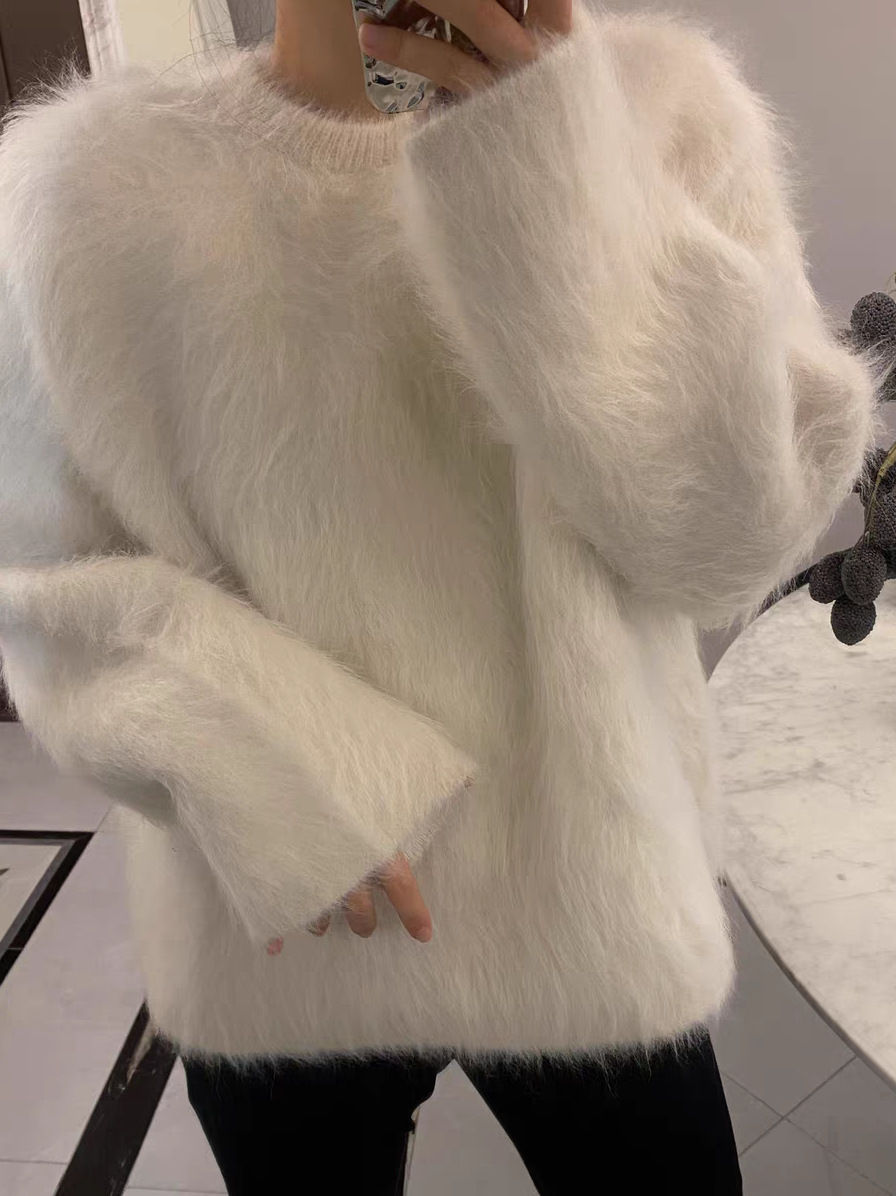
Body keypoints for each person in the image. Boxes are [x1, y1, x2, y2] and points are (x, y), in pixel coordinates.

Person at [0, 1, 886, 1192]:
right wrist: (284, 767)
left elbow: (722, 547)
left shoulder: (668, 118)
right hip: (283, 936)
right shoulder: (83, 187)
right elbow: (40, 589)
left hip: (592, 918)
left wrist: (555, 174)